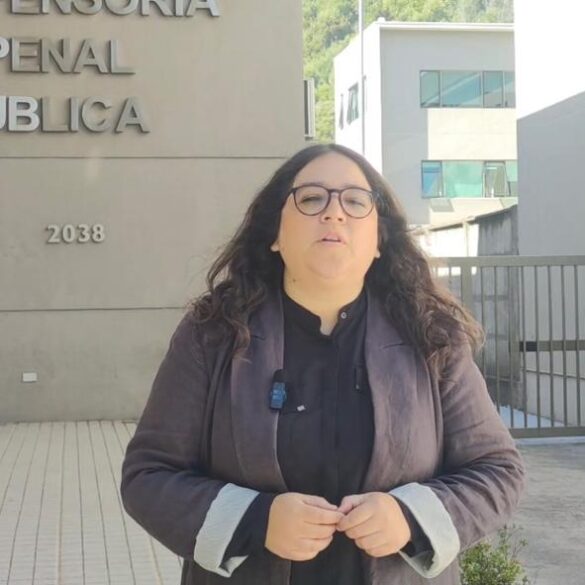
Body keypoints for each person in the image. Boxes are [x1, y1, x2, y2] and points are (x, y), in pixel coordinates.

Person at [120, 143, 526, 585]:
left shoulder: (431, 336)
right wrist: (256, 520)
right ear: (275, 233)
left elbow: (497, 471)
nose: (334, 213)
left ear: (378, 240)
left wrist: (410, 517)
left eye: (355, 201)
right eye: (312, 199)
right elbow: (149, 475)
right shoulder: (212, 334)